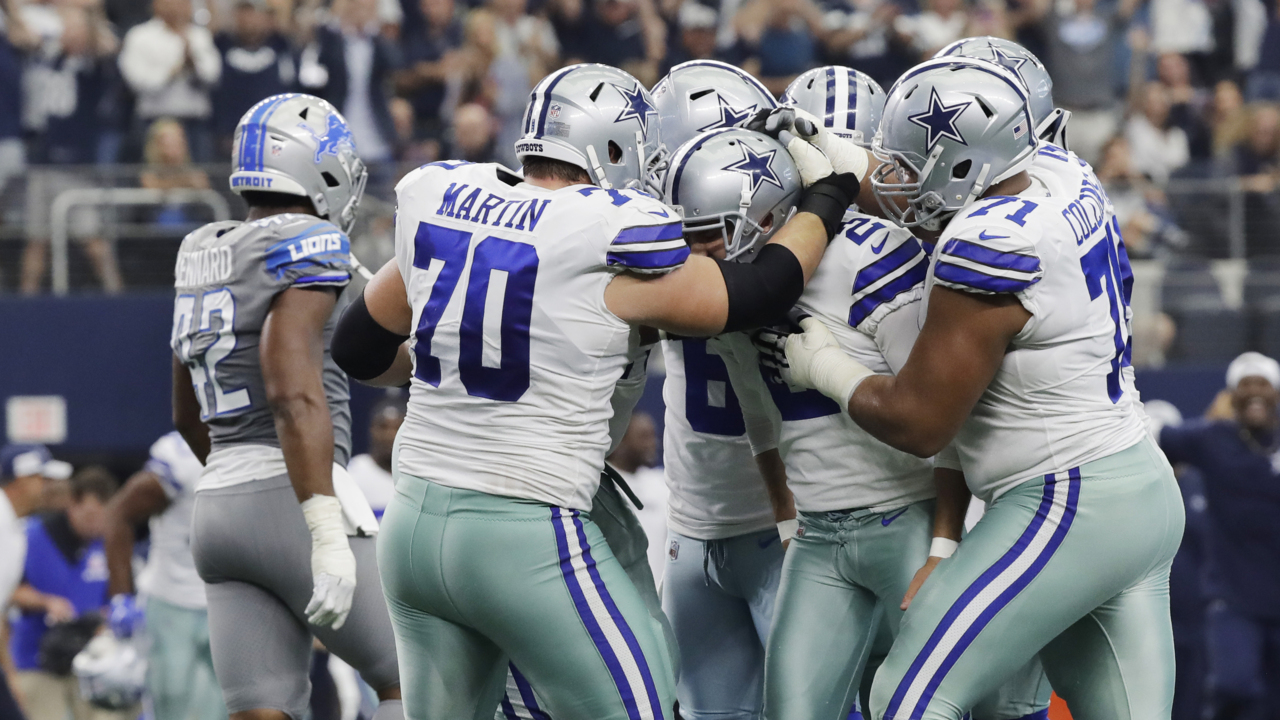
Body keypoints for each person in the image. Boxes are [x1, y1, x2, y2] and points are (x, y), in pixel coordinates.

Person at [331, 61, 868, 720]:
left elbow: (357, 347)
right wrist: (831, 194)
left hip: (413, 528)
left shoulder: (446, 196)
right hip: (522, 528)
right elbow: (757, 294)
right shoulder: (606, 226)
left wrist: (474, 363)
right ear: (615, 150)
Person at [775, 57, 1184, 717]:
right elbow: (930, 188)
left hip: (1067, 501)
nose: (894, 177)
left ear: (963, 169)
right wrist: (834, 153)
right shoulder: (1059, 172)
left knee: (910, 697)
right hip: (1140, 490)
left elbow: (920, 424)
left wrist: (828, 369)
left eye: (908, 163)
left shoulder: (990, 245)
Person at [170, 93, 402, 720]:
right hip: (292, 495)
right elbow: (290, 389)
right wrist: (320, 520)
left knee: (262, 708)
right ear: (319, 171)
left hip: (216, 506)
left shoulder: (203, 246)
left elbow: (187, 414)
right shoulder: (310, 241)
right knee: (415, 674)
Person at [1158, 352, 1280, 720]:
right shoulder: (1212, 438)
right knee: (1233, 685)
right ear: (1231, 394)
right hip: (1232, 597)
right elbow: (1152, 432)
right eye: (1245, 384)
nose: (1255, 391)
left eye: (1263, 383)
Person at [101, 432, 224, 720]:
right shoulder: (182, 456)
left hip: (232, 601)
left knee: (250, 704)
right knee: (171, 704)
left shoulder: (263, 443)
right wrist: (120, 596)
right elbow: (118, 513)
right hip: (173, 601)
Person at [9, 467, 121, 720]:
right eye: (91, 515)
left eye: (105, 515)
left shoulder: (108, 541)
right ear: (73, 503)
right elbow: (8, 590)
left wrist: (106, 617)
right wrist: (46, 602)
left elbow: (121, 597)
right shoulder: (30, 535)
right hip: (37, 659)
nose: (98, 523)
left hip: (91, 659)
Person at [0, 445, 68, 720]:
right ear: (21, 479)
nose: (48, 487)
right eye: (42, 478)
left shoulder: (15, 529)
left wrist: (10, 675)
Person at [117, 0, 221, 162]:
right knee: (150, 176)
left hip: (194, 124)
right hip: (153, 121)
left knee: (200, 177)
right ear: (156, 5)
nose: (177, 7)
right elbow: (137, 81)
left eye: (182, 3)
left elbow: (213, 76)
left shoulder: (199, 35)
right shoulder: (140, 36)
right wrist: (173, 71)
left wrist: (192, 63)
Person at [603, 412, 668, 581]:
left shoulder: (661, 482)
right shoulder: (598, 485)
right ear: (620, 441)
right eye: (643, 437)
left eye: (654, 436)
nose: (652, 444)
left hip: (657, 592)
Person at [347, 396, 406, 519]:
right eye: (383, 427)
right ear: (372, 430)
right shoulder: (353, 474)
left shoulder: (420, 477)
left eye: (397, 428)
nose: (389, 435)